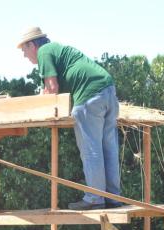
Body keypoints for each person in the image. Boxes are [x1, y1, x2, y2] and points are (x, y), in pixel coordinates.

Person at [18, 27, 122, 210]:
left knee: (91, 149)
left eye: (24, 50)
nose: (24, 56)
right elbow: (54, 89)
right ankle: (113, 197)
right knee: (109, 147)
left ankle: (95, 198)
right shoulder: (58, 51)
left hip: (89, 96)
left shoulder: (43, 52)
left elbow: (52, 88)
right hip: (108, 90)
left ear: (32, 45)